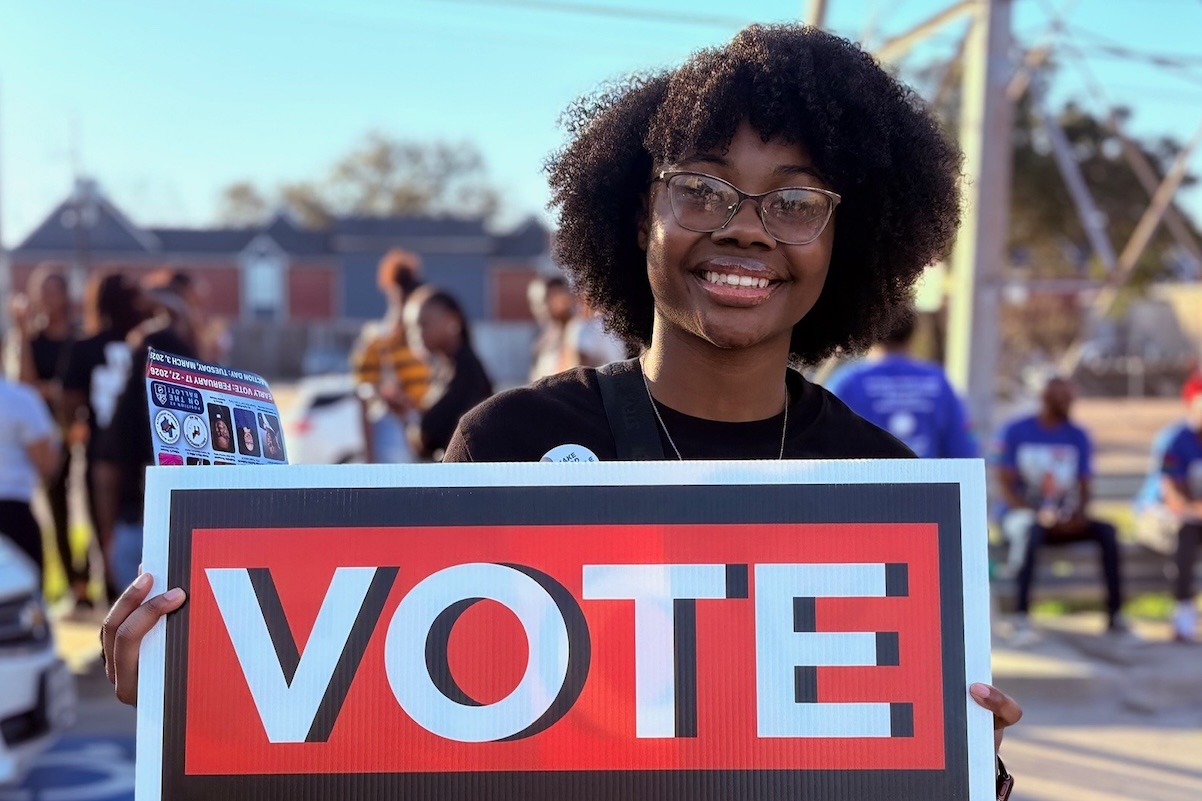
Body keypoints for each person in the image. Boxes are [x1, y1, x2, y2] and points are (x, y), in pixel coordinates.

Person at [98, 23, 1020, 769]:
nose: (745, 228)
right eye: (701, 188)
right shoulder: (509, 443)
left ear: (842, 240)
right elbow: (398, 740)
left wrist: (970, 768)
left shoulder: (883, 486)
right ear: (635, 212)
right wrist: (205, 704)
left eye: (795, 201)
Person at [993, 376, 1124, 641]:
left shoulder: (1078, 435)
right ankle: (1021, 617)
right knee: (1029, 531)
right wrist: (1036, 514)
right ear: (1044, 398)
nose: (1068, 403)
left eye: (1071, 397)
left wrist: (1078, 515)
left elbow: (1085, 485)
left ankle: (1115, 617)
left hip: (1063, 519)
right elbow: (1006, 488)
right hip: (1022, 516)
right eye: (1062, 398)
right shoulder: (1016, 431)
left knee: (1107, 531)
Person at [94, 277, 201, 590]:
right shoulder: (201, 415)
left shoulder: (125, 410)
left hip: (133, 530)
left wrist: (106, 534)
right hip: (188, 530)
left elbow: (105, 473)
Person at [60, 272, 147, 606]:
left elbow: (69, 403)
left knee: (106, 538)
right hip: (145, 457)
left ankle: (111, 606)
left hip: (101, 453)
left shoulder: (85, 346)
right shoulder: (150, 344)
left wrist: (77, 427)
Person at [10, 263, 81, 607]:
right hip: (45, 435)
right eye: (44, 291)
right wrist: (21, 331)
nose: (50, 298)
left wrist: (57, 392)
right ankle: (73, 584)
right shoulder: (33, 339)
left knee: (93, 510)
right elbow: (24, 386)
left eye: (55, 290)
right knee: (56, 510)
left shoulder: (79, 336)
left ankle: (93, 580)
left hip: (81, 429)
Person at [826, 312, 977, 459]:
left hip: (866, 482)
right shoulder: (938, 381)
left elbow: (825, 444)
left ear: (869, 330)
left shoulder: (847, 382)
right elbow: (963, 449)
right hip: (925, 481)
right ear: (914, 331)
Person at [351, 249, 432, 463]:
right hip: (392, 431)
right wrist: (368, 454)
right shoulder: (377, 340)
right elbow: (363, 396)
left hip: (425, 430)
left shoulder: (427, 342)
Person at [1141, 372, 1202, 642]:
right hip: (1159, 514)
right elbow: (1172, 496)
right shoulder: (1174, 439)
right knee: (1184, 529)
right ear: (1191, 404)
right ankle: (1184, 611)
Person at [404, 287, 493, 461]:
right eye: (411, 327)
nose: (415, 335)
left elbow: (430, 435)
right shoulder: (444, 369)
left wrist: (408, 417)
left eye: (423, 324)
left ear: (452, 321)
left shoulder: (467, 372)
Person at [0, 375, 61, 585]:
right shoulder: (20, 399)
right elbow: (47, 463)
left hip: (12, 510)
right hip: (11, 514)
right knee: (22, 608)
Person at [528, 274, 578, 381]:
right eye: (540, 301)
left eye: (549, 298)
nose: (543, 307)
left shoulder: (581, 333)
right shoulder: (541, 344)